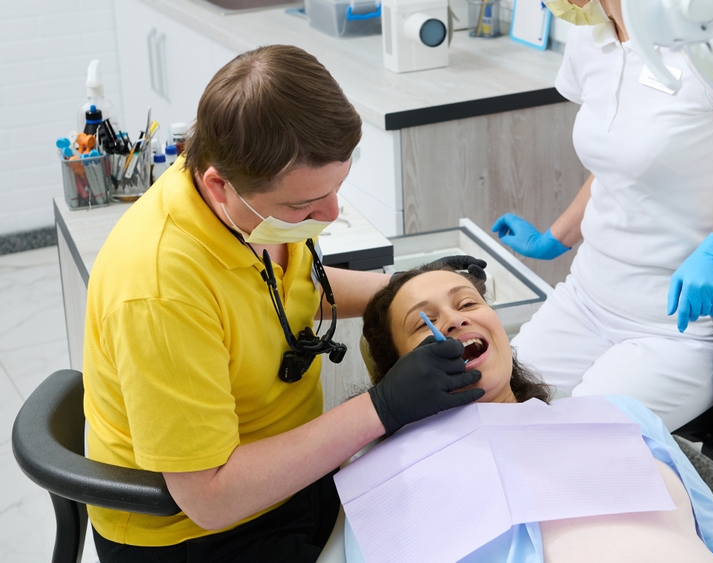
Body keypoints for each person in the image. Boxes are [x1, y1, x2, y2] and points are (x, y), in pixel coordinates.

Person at [82, 45, 487, 562]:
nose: (331, 213)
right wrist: (382, 407)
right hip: (203, 531)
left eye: (337, 187)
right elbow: (209, 497)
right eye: (304, 205)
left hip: (297, 474)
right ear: (219, 186)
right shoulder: (159, 290)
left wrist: (406, 287)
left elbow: (288, 287)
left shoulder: (248, 202)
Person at [492, 0, 713, 430]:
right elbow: (618, 163)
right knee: (497, 405)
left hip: (675, 325)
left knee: (579, 439)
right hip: (585, 298)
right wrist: (554, 237)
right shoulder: (589, 39)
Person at [347, 262, 713, 562]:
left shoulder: (619, 416)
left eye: (467, 304)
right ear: (398, 372)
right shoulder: (388, 483)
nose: (455, 321)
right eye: (423, 322)